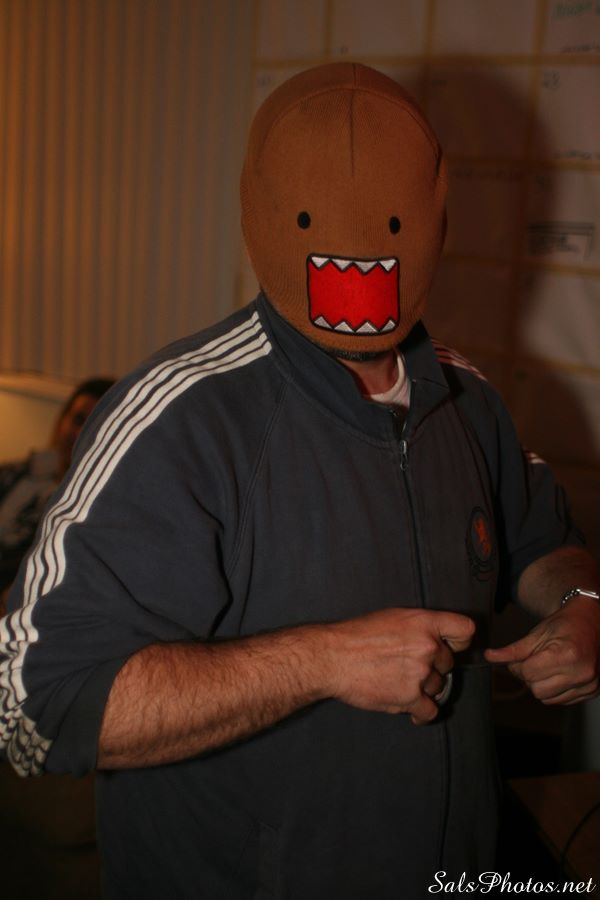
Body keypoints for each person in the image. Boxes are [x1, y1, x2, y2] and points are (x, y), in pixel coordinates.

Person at [0, 64, 598, 899]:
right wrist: (324, 661)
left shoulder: (467, 399)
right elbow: (34, 705)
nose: (357, 264)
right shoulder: (180, 420)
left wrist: (583, 606)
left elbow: (544, 539)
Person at [0, 378, 115, 600]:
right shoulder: (15, 473)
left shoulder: (94, 508)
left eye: (92, 426)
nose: (79, 434)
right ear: (61, 420)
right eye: (77, 420)